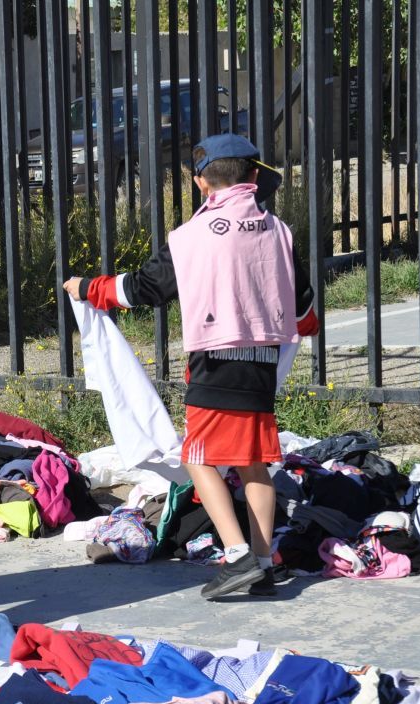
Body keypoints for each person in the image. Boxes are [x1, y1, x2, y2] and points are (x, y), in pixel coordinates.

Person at [63, 134, 319, 600]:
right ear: (255, 177)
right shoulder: (278, 229)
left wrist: (87, 288)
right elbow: (303, 304)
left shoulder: (190, 238)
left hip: (215, 361)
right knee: (253, 463)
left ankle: (238, 555)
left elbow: (144, 288)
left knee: (199, 458)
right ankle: (263, 562)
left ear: (201, 184)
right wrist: (302, 324)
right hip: (261, 361)